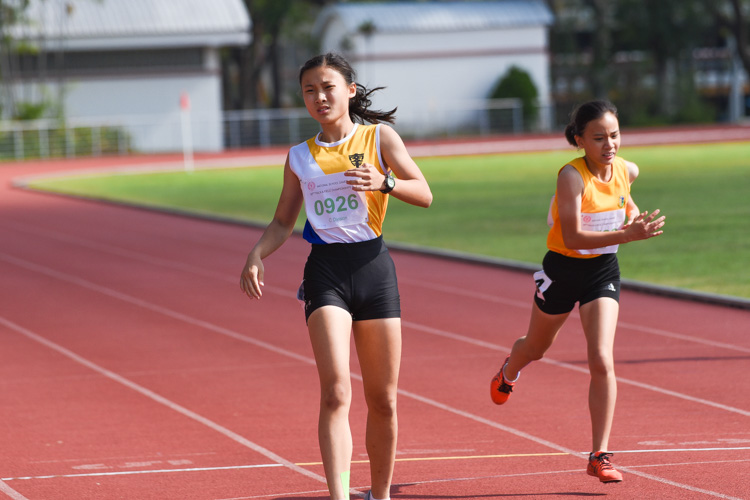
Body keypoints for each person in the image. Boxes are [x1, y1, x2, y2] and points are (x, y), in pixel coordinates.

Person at [240, 52, 432, 500]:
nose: (319, 97)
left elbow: (423, 193)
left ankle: (379, 494)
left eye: (327, 87)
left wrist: (384, 183)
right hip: (326, 272)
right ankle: (339, 496)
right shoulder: (298, 157)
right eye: (310, 90)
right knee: (335, 392)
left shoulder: (380, 138)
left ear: (350, 89)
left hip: (375, 270)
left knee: (383, 400)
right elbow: (283, 222)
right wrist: (256, 253)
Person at [490, 100, 665, 483]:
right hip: (563, 268)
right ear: (579, 139)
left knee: (601, 357)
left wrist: (638, 221)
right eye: (599, 137)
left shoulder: (627, 170)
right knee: (535, 348)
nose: (610, 144)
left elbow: (625, 204)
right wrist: (626, 234)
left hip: (602, 270)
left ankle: (599, 454)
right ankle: (509, 371)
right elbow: (571, 236)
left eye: (615, 135)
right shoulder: (570, 176)